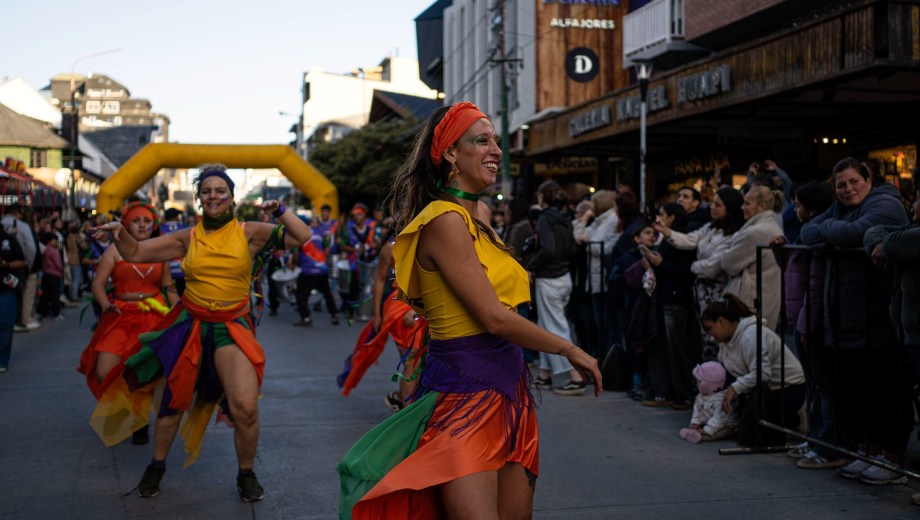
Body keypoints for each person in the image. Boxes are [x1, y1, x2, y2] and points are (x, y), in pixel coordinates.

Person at [336, 102, 601, 519]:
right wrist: (568, 349)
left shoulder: (477, 218)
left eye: (495, 140)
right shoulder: (444, 220)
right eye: (482, 140)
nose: (495, 148)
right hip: (464, 396)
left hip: (509, 391)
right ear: (450, 154)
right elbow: (492, 316)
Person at [86, 164, 312, 501]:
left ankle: (246, 473)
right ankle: (157, 466)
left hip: (231, 329)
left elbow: (302, 236)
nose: (213, 195)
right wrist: (120, 230)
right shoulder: (187, 237)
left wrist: (279, 209)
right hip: (190, 326)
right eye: (206, 191)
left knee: (245, 407)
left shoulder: (249, 232)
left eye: (221, 190)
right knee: (170, 404)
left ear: (232, 198)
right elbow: (135, 251)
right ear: (199, 199)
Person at [799, 157, 911, 485]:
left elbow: (853, 234)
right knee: (857, 393)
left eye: (853, 182)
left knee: (885, 392)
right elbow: (807, 231)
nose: (847, 190)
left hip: (877, 317)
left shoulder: (886, 204)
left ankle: (891, 460)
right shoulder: (841, 208)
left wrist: (833, 231)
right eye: (841, 185)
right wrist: (836, 230)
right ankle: (867, 451)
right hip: (845, 319)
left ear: (869, 179)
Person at [76, 202, 177, 444]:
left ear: (153, 225)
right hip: (121, 316)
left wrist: (181, 311)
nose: (142, 225)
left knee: (148, 372)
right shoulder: (114, 250)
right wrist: (106, 304)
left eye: (147, 221)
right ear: (126, 223)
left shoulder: (159, 251)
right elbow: (98, 284)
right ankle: (129, 411)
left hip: (154, 318)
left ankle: (138, 417)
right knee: (104, 370)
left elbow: (168, 287)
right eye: (136, 220)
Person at [768, 181, 838, 468]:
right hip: (801, 321)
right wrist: (780, 253)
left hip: (811, 323)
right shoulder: (801, 234)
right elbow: (793, 272)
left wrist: (806, 326)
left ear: (810, 210)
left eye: (797, 205)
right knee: (814, 386)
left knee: (823, 387)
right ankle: (814, 439)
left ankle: (826, 444)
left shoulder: (817, 239)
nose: (793, 210)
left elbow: (814, 285)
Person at [864, 168, 920, 504]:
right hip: (911, 333)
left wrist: (889, 245)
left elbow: (900, 240)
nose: (914, 204)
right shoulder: (909, 227)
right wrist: (882, 243)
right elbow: (875, 232)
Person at [700, 294, 806, 447]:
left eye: (710, 329)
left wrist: (735, 388)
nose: (710, 336)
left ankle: (789, 424)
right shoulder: (726, 343)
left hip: (788, 389)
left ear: (721, 321)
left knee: (749, 437)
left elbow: (763, 374)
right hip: (764, 389)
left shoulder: (751, 335)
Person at [657, 187, 746, 360]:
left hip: (717, 292)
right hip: (700, 292)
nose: (712, 207)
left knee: (717, 338)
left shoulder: (732, 236)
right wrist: (667, 232)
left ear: (729, 208)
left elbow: (712, 267)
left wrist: (693, 265)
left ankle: (717, 379)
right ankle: (709, 378)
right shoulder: (710, 228)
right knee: (705, 338)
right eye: (713, 203)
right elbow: (691, 239)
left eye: (718, 205)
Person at [528, 180, 586, 396]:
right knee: (547, 325)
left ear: (543, 196)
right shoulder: (565, 218)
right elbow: (570, 249)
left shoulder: (545, 219)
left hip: (550, 278)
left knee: (554, 328)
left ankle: (575, 376)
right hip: (564, 276)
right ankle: (545, 374)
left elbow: (549, 249)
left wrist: (531, 266)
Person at [641, 203, 697, 409]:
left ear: (672, 218)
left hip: (675, 298)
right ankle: (665, 391)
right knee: (662, 346)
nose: (657, 217)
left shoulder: (682, 240)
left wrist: (660, 264)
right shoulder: (667, 238)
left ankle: (682, 392)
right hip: (665, 296)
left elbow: (685, 272)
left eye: (662, 214)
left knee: (676, 348)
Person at [720, 185, 784, 331]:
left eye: (747, 203)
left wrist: (726, 252)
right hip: (761, 301)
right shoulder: (769, 225)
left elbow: (728, 264)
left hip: (750, 305)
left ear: (762, 206)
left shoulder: (755, 232)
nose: (742, 207)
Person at [573, 189, 619, 357]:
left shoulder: (613, 220)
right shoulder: (598, 221)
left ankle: (609, 360)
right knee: (598, 324)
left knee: (606, 324)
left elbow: (606, 249)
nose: (590, 206)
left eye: (593, 202)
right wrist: (584, 220)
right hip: (593, 279)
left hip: (603, 279)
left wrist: (588, 243)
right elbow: (578, 236)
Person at [292, 214, 340, 326]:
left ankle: (306, 318)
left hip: (308, 271)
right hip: (322, 270)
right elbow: (328, 251)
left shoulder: (300, 234)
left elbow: (295, 254)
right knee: (327, 293)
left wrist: (295, 262)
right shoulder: (324, 233)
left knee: (301, 294)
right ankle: (334, 316)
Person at [678, 361, 738, 443]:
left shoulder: (720, 400)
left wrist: (707, 430)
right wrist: (695, 423)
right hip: (709, 422)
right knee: (702, 427)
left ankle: (703, 437)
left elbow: (719, 418)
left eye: (699, 381)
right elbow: (697, 410)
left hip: (725, 424)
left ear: (707, 384)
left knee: (722, 432)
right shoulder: (700, 396)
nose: (697, 384)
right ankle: (693, 431)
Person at [0, 222, 26, 372]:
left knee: (5, 324)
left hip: (5, 288)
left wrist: (6, 264)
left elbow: (21, 262)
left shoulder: (9, 240)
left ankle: (2, 361)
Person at [159, 208, 189, 297]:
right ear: (176, 217)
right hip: (182, 271)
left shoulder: (159, 229)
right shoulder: (185, 228)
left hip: (165, 272)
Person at [37, 232, 64, 321]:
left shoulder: (45, 250)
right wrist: (61, 269)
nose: (56, 242)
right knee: (55, 295)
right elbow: (58, 264)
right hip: (55, 275)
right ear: (49, 241)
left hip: (46, 275)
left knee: (45, 296)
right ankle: (56, 314)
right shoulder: (54, 251)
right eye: (54, 240)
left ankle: (43, 314)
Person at [65, 221, 87, 302]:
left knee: (71, 279)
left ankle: (71, 295)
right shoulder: (77, 237)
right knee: (76, 279)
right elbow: (85, 247)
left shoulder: (68, 236)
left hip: (68, 259)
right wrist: (83, 239)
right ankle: (74, 296)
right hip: (76, 260)